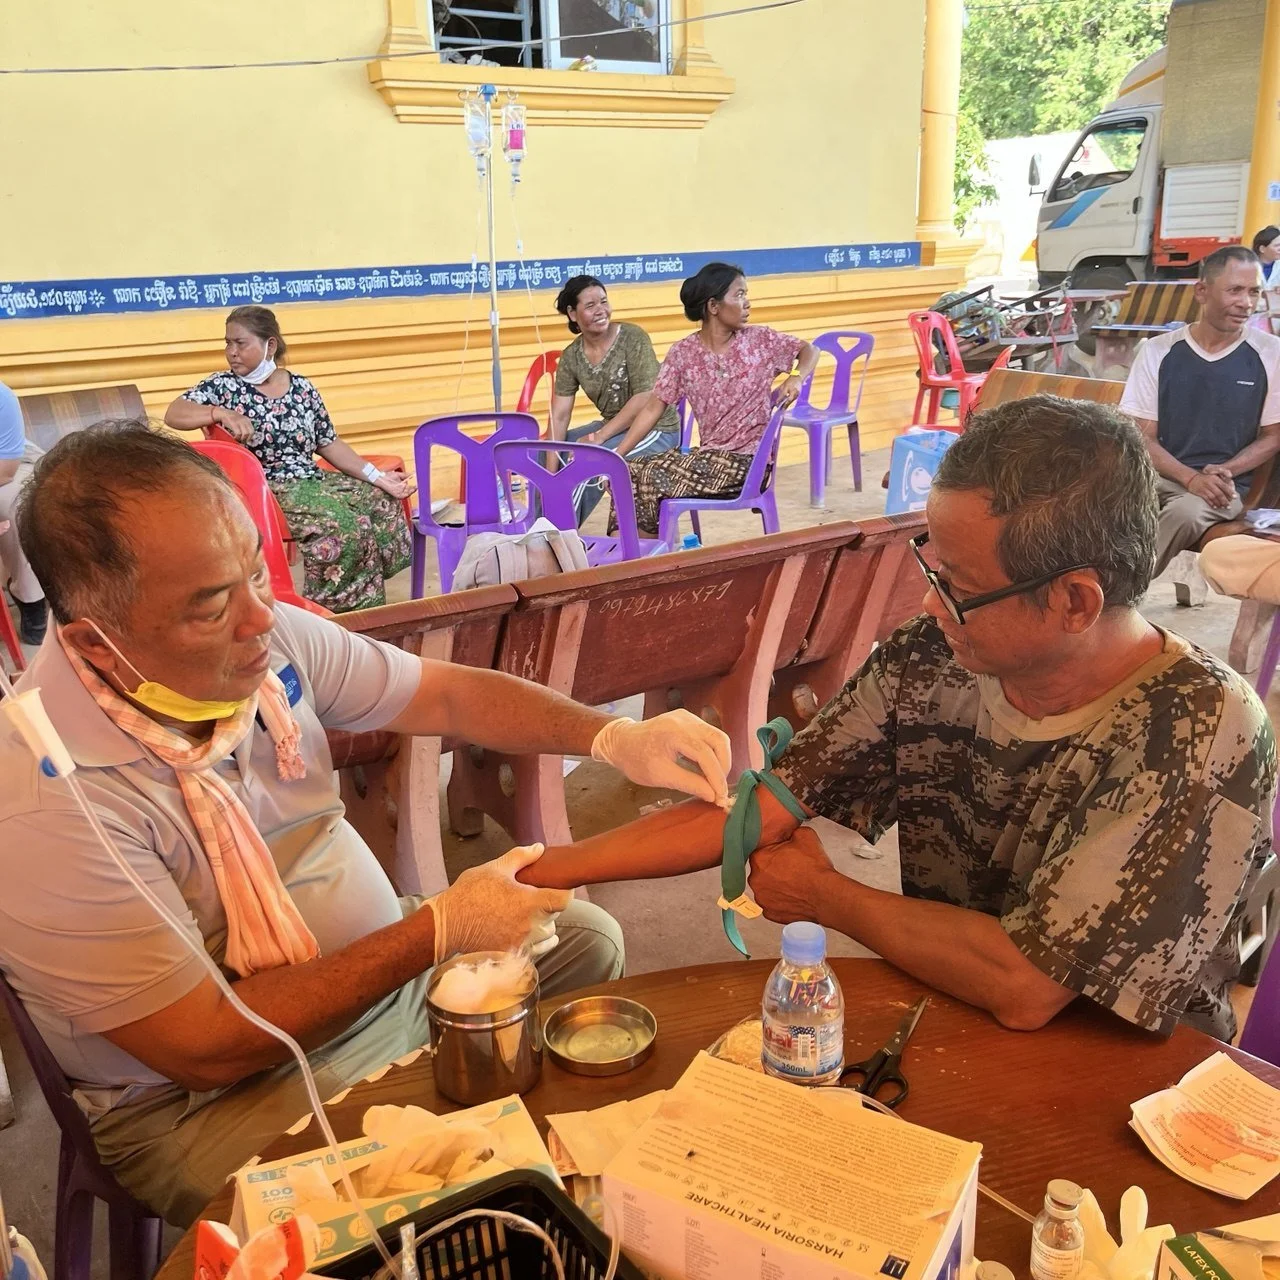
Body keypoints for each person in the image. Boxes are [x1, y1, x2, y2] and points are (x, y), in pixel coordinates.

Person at [0, 421, 731, 1225]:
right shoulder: (44, 798)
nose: (258, 619)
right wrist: (439, 931)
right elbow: (204, 1048)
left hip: (377, 982)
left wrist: (616, 737)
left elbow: (448, 694)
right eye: (211, 607)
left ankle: (491, 1169)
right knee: (414, 1208)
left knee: (585, 939)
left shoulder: (268, 646)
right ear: (96, 647)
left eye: (256, 570)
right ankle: (479, 1188)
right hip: (208, 1098)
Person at [515, 397, 1276, 1042]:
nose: (927, 606)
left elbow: (1025, 986)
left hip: (1135, 1087)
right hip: (948, 1007)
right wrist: (529, 875)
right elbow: (763, 807)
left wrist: (828, 897)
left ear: (1075, 601)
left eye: (958, 587)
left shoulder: (1198, 727)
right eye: (931, 569)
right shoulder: (936, 657)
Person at [164, 306, 414, 614]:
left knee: (380, 501)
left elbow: (329, 442)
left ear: (269, 345)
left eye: (240, 343)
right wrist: (218, 412)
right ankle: (332, 615)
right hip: (266, 488)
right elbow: (173, 413)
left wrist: (378, 476)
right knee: (345, 524)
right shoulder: (222, 387)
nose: (231, 352)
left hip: (311, 478)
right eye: (227, 343)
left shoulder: (302, 389)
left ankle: (364, 606)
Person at [605, 263, 820, 536]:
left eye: (745, 294)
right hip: (708, 458)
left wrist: (796, 376)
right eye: (739, 295)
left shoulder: (760, 340)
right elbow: (653, 407)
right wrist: (617, 455)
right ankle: (630, 552)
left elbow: (809, 350)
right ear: (714, 306)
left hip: (747, 464)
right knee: (626, 472)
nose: (747, 303)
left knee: (648, 476)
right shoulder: (683, 353)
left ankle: (642, 555)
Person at [1120, 245, 1280, 575]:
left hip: (1224, 490)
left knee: (1187, 514)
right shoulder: (1159, 351)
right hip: (1158, 477)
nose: (1246, 303)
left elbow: (1273, 436)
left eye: (1253, 292)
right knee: (1091, 497)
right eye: (1235, 290)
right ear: (1202, 292)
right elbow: (1141, 435)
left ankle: (1117, 595)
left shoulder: (1269, 354)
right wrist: (1189, 477)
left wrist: (1227, 471)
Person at [548, 275, 680, 523]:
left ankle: (557, 536)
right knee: (541, 455)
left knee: (589, 462)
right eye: (590, 306)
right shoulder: (571, 357)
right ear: (572, 313)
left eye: (604, 302)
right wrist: (550, 472)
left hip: (657, 430)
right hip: (615, 427)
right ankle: (539, 529)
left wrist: (600, 437)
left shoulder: (633, 337)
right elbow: (559, 415)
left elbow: (645, 397)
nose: (601, 311)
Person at [0, 380, 47, 645]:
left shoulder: (1, 397)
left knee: (14, 503)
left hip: (9, 465)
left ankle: (30, 597)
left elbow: (5, 470)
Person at [1251, 225, 1280, 334]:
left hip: (1276, 320)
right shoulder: (1246, 266)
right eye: (1277, 245)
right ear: (1262, 249)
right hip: (1251, 317)